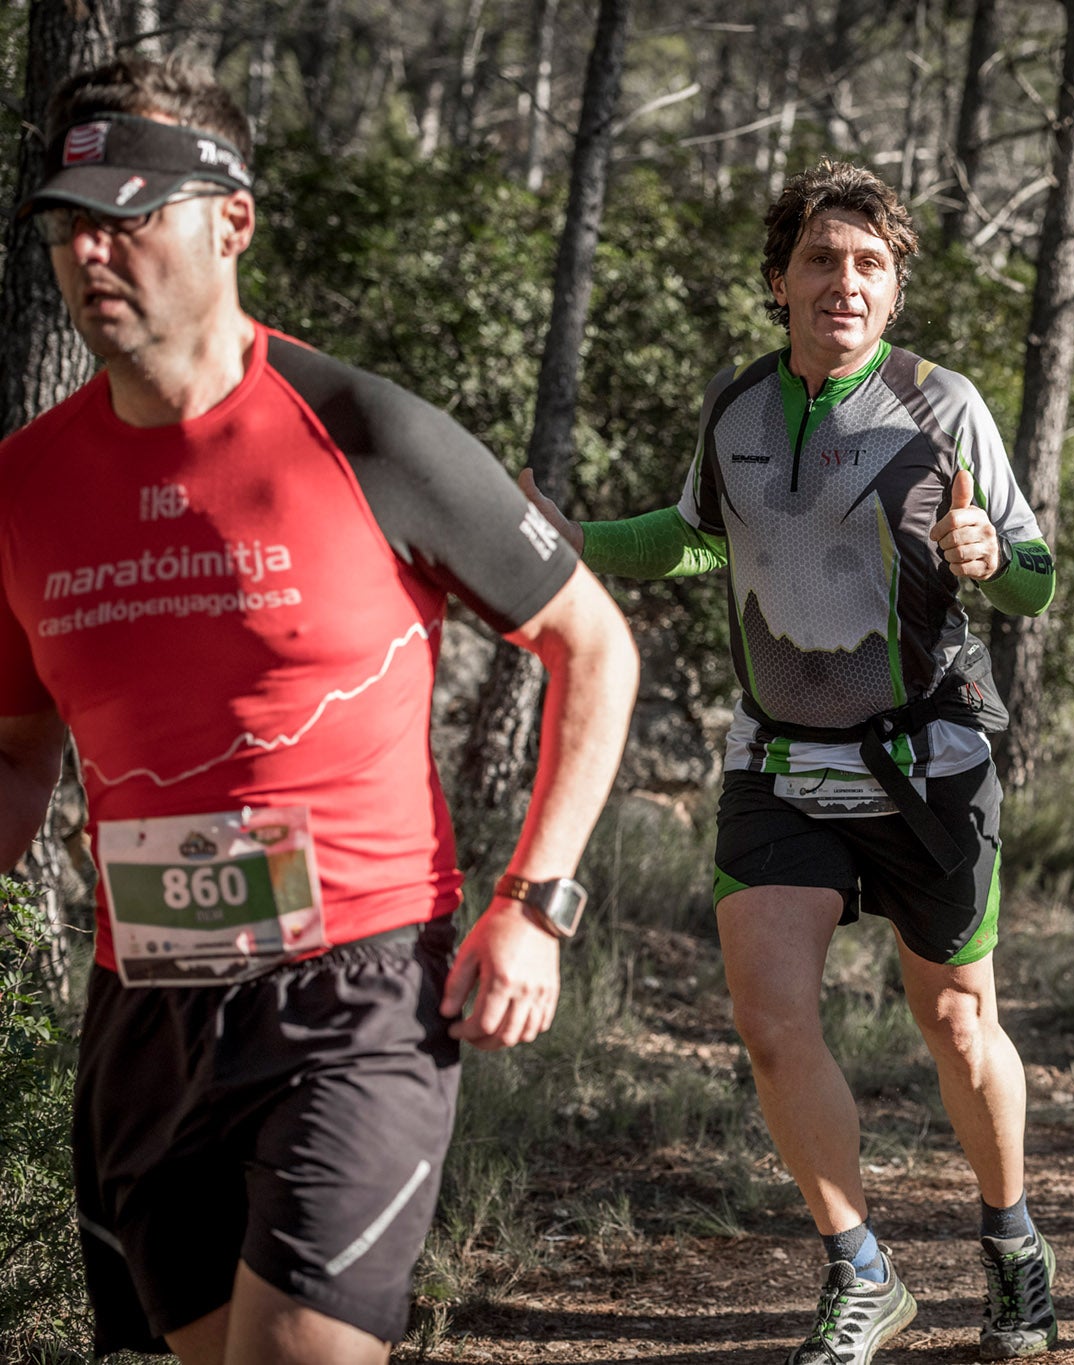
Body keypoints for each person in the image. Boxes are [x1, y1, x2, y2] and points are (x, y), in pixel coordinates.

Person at [0, 57, 638, 1365]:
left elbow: (595, 643)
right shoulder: (22, 487)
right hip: (149, 1003)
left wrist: (535, 901)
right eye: (70, 225)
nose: (90, 254)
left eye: (127, 215)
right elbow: (17, 753)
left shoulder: (363, 432)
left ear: (230, 220)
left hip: (356, 998)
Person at [521, 161, 1058, 1364]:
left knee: (959, 1021)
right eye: (820, 259)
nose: (844, 282)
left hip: (930, 756)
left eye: (869, 263)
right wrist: (568, 542)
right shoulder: (741, 410)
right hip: (780, 759)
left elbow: (1034, 576)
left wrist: (985, 553)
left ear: (895, 287)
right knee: (771, 1025)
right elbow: (693, 539)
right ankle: (860, 1269)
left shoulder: (942, 405)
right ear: (777, 282)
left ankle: (1011, 1238)